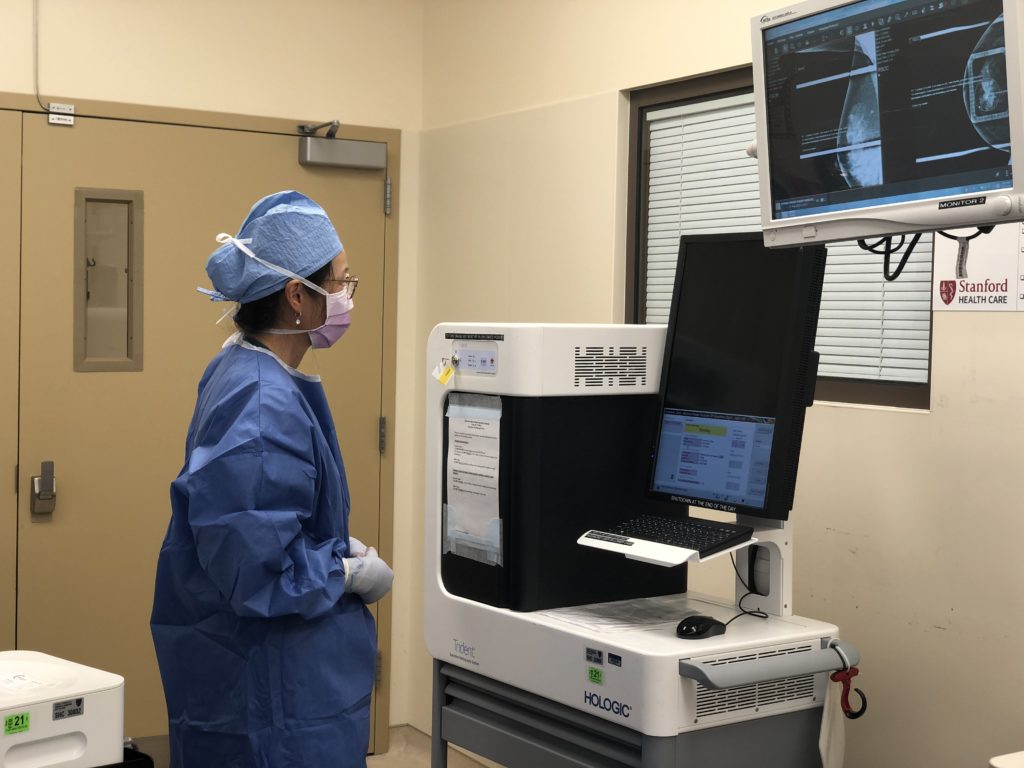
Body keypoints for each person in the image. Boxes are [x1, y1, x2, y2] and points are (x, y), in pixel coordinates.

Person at [150, 190, 393, 768]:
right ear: (295, 298)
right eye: (339, 282)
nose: (345, 295)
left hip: (258, 674)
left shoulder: (244, 367)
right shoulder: (263, 405)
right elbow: (255, 572)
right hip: (275, 695)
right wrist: (345, 571)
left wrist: (332, 547)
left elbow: (257, 520)